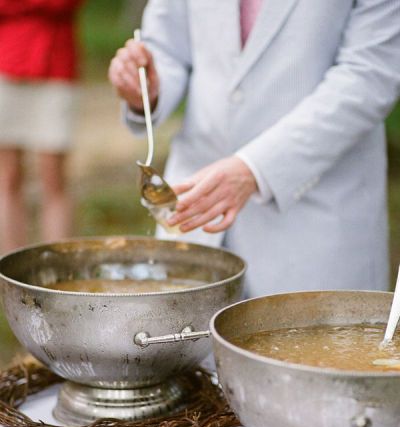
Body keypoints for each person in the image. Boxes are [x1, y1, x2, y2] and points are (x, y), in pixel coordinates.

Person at [109, 0, 400, 298]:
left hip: (317, 227)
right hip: (194, 221)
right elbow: (168, 47)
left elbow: (369, 74)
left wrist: (256, 168)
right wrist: (148, 87)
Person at [0, 0, 83, 254]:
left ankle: (56, 273)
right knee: (8, 176)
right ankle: (11, 271)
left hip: (55, 65)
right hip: (6, 63)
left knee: (53, 177)